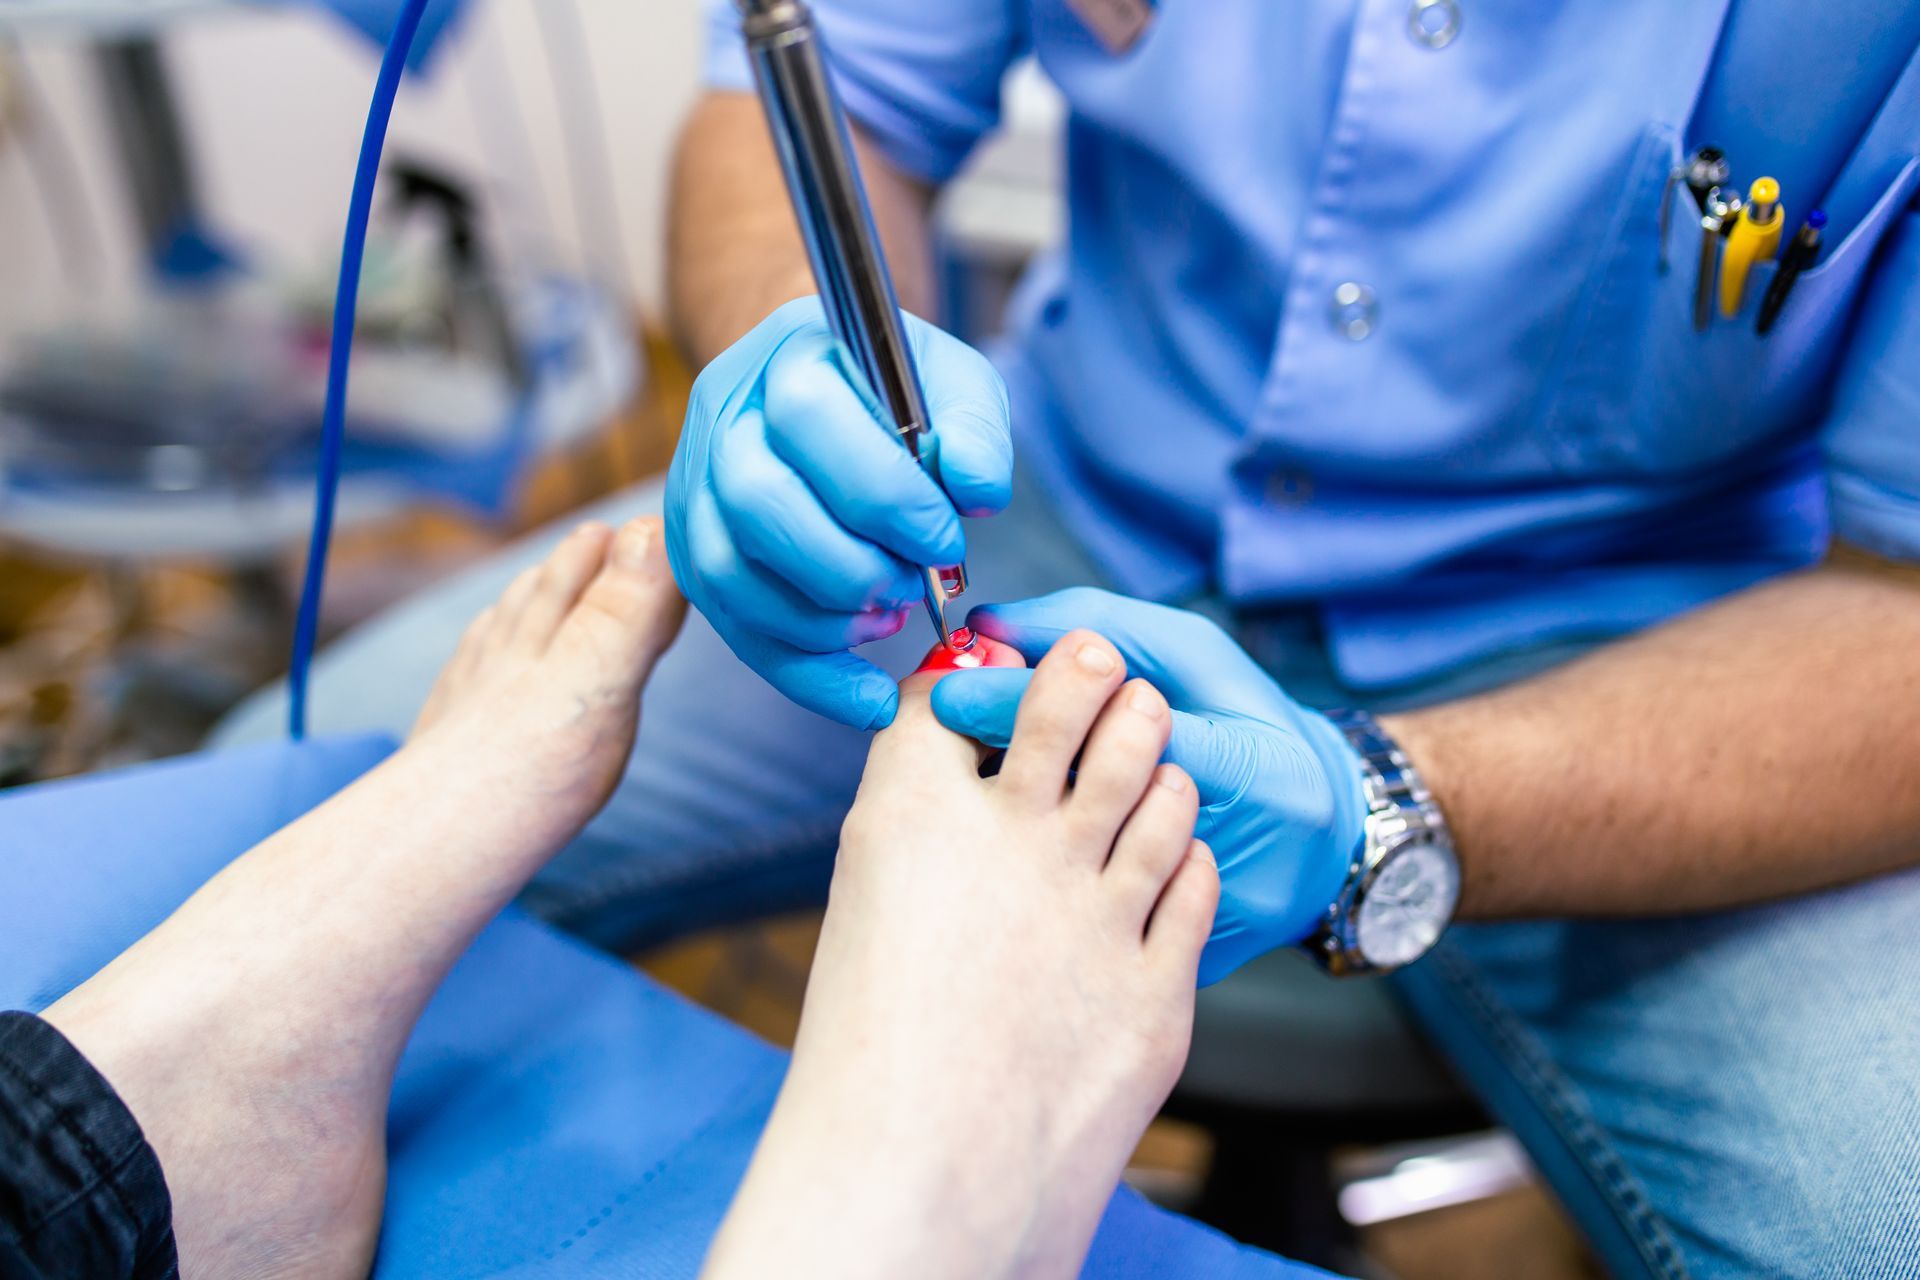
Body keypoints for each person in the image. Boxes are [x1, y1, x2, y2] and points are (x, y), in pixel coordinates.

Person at [216, 4, 1920, 1276]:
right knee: (273, 837)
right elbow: (821, 106)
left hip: (1665, 661)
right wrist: (795, 351)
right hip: (1036, 520)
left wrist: (1384, 801)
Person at [4, 518, 1223, 1280]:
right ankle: (904, 1233)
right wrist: (807, 378)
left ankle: (130, 1140)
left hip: (1416, 642)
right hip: (1078, 474)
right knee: (285, 740)